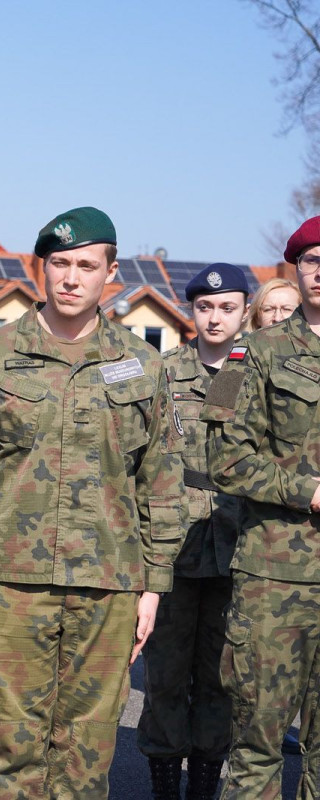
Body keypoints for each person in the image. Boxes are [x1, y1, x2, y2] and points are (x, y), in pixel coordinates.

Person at [0, 206, 186, 799]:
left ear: (110, 274)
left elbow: (163, 481)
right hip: (11, 586)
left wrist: (153, 586)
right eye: (60, 264)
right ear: (41, 269)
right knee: (8, 743)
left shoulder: (143, 365)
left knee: (88, 750)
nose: (71, 277)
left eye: (86, 266)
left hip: (111, 587)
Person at [203, 216, 320, 798]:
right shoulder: (250, 353)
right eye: (311, 261)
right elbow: (219, 453)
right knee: (257, 743)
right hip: (277, 578)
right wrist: (306, 489)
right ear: (297, 272)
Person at [137, 264, 249, 800]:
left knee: (219, 676)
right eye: (205, 307)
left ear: (244, 312)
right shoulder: (161, 371)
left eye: (227, 307)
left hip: (239, 545)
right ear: (191, 311)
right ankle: (163, 784)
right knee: (165, 674)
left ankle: (205, 783)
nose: (215, 317)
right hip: (172, 542)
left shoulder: (259, 371)